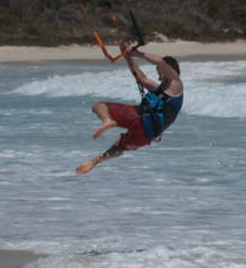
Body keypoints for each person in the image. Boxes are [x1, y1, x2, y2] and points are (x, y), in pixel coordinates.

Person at [77, 46, 184, 175]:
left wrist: (137, 53)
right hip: (147, 136)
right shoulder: (164, 91)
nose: (159, 78)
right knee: (120, 145)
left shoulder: (177, 84)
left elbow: (161, 62)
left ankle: (106, 120)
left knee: (99, 105)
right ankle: (100, 159)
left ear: (167, 69)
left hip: (140, 119)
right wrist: (127, 57)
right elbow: (142, 79)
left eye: (159, 73)